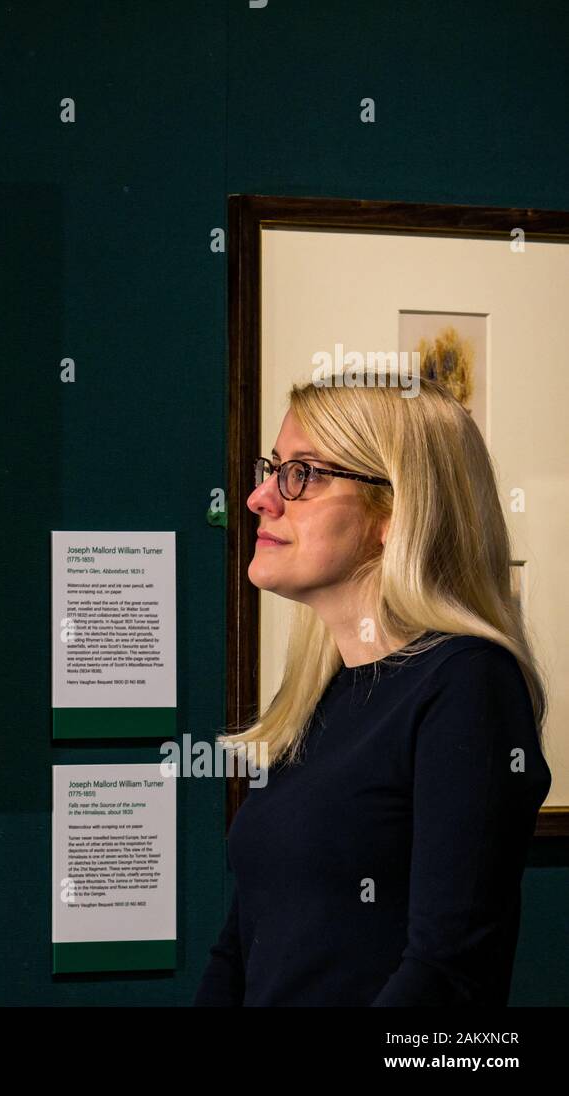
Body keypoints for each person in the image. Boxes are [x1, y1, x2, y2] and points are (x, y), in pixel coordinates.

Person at [194, 376, 552, 1006]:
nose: (258, 498)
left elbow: (446, 973)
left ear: (397, 511)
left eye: (301, 474)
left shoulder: (467, 684)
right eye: (272, 469)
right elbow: (242, 948)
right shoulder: (315, 696)